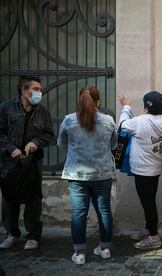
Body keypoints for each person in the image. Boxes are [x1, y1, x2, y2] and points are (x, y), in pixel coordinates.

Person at [57, 86, 117, 265]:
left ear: (79, 100)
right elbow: (113, 145)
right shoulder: (108, 120)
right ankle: (105, 249)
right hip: (102, 174)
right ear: (98, 102)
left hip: (77, 175)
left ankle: (80, 253)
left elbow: (61, 144)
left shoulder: (69, 120)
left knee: (78, 213)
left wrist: (76, 153)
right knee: (104, 211)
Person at [0, 76, 54, 250]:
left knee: (33, 198)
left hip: (33, 162)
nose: (40, 93)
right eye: (36, 89)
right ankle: (12, 234)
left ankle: (33, 236)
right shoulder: (6, 108)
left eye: (40, 89)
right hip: (10, 162)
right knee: (10, 199)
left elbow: (48, 135)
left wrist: (36, 143)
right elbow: (0, 133)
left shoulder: (43, 111)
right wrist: (11, 148)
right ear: (25, 90)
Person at [118, 91, 162, 249]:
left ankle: (154, 237)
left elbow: (122, 125)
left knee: (148, 203)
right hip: (156, 169)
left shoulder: (139, 121)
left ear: (146, 106)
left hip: (142, 171)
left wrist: (126, 107)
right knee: (150, 200)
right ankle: (149, 229)